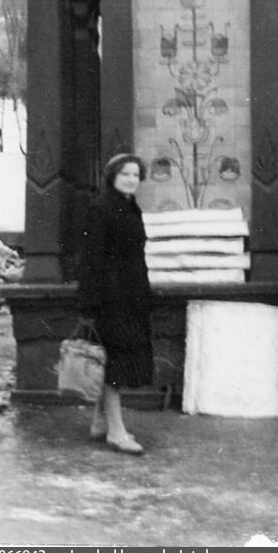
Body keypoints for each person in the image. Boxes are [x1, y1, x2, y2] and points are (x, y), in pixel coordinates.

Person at [77, 153, 156, 456]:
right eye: (126, 174)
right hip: (110, 299)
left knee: (116, 361)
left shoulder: (130, 208)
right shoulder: (100, 209)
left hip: (131, 297)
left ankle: (100, 422)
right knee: (116, 365)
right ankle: (117, 432)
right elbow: (90, 260)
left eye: (136, 175)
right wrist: (89, 305)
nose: (132, 179)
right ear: (112, 176)